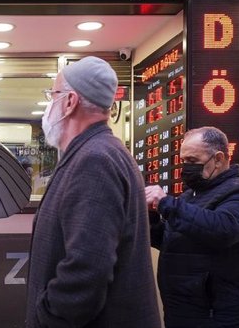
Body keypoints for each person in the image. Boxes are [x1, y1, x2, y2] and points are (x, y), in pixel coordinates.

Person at [26, 56, 160, 328]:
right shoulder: (98, 152)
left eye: (53, 95)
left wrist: (46, 316)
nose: (49, 105)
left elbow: (86, 273)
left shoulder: (94, 160)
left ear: (69, 102)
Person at [145, 126, 239, 328]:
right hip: (181, 308)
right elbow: (171, 239)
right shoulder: (190, 196)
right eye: (183, 161)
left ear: (218, 159)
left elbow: (221, 230)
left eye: (192, 161)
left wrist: (166, 203)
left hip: (216, 312)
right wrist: (150, 217)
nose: (185, 167)